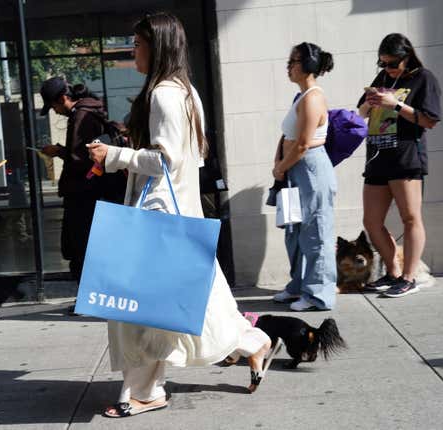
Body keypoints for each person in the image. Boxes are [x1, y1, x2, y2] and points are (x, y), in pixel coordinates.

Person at [87, 12, 273, 418]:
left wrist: (113, 155)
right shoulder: (185, 91)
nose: (131, 50)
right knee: (195, 302)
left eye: (136, 44)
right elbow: (194, 157)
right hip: (177, 214)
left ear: (157, 46)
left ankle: (147, 390)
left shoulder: (163, 95)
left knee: (144, 311)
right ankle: (252, 342)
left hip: (160, 216)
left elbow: (165, 161)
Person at [357, 33, 441, 297]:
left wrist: (396, 105)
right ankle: (393, 272)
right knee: (371, 221)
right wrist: (368, 105)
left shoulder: (424, 78)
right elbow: (360, 113)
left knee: (410, 217)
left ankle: (409, 277)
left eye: (392, 63)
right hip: (377, 157)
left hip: (406, 157)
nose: (387, 68)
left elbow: (429, 120)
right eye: (382, 63)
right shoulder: (382, 78)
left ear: (407, 57)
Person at [271, 42, 337, 311]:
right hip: (293, 170)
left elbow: (303, 143)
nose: (289, 67)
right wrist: (279, 162)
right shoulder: (301, 97)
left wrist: (281, 166)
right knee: (295, 230)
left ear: (308, 65)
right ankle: (298, 285)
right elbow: (289, 136)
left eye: (294, 62)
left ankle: (318, 295)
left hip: (309, 169)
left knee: (316, 231)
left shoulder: (313, 97)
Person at [39, 77, 125, 284]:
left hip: (83, 193)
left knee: (80, 247)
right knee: (88, 245)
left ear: (63, 98)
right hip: (93, 191)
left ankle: (87, 296)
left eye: (53, 106)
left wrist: (59, 151)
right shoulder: (90, 111)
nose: (55, 111)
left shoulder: (81, 116)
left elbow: (80, 158)